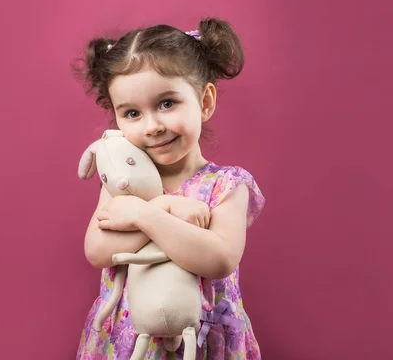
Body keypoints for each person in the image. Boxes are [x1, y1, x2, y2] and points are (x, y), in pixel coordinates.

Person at [75, 18, 265, 359]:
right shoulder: (123, 181)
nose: (152, 126)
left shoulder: (228, 185)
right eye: (132, 113)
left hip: (203, 341)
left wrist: (145, 214)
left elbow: (218, 258)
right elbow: (99, 250)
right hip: (128, 340)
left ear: (204, 101)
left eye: (166, 104)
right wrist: (165, 209)